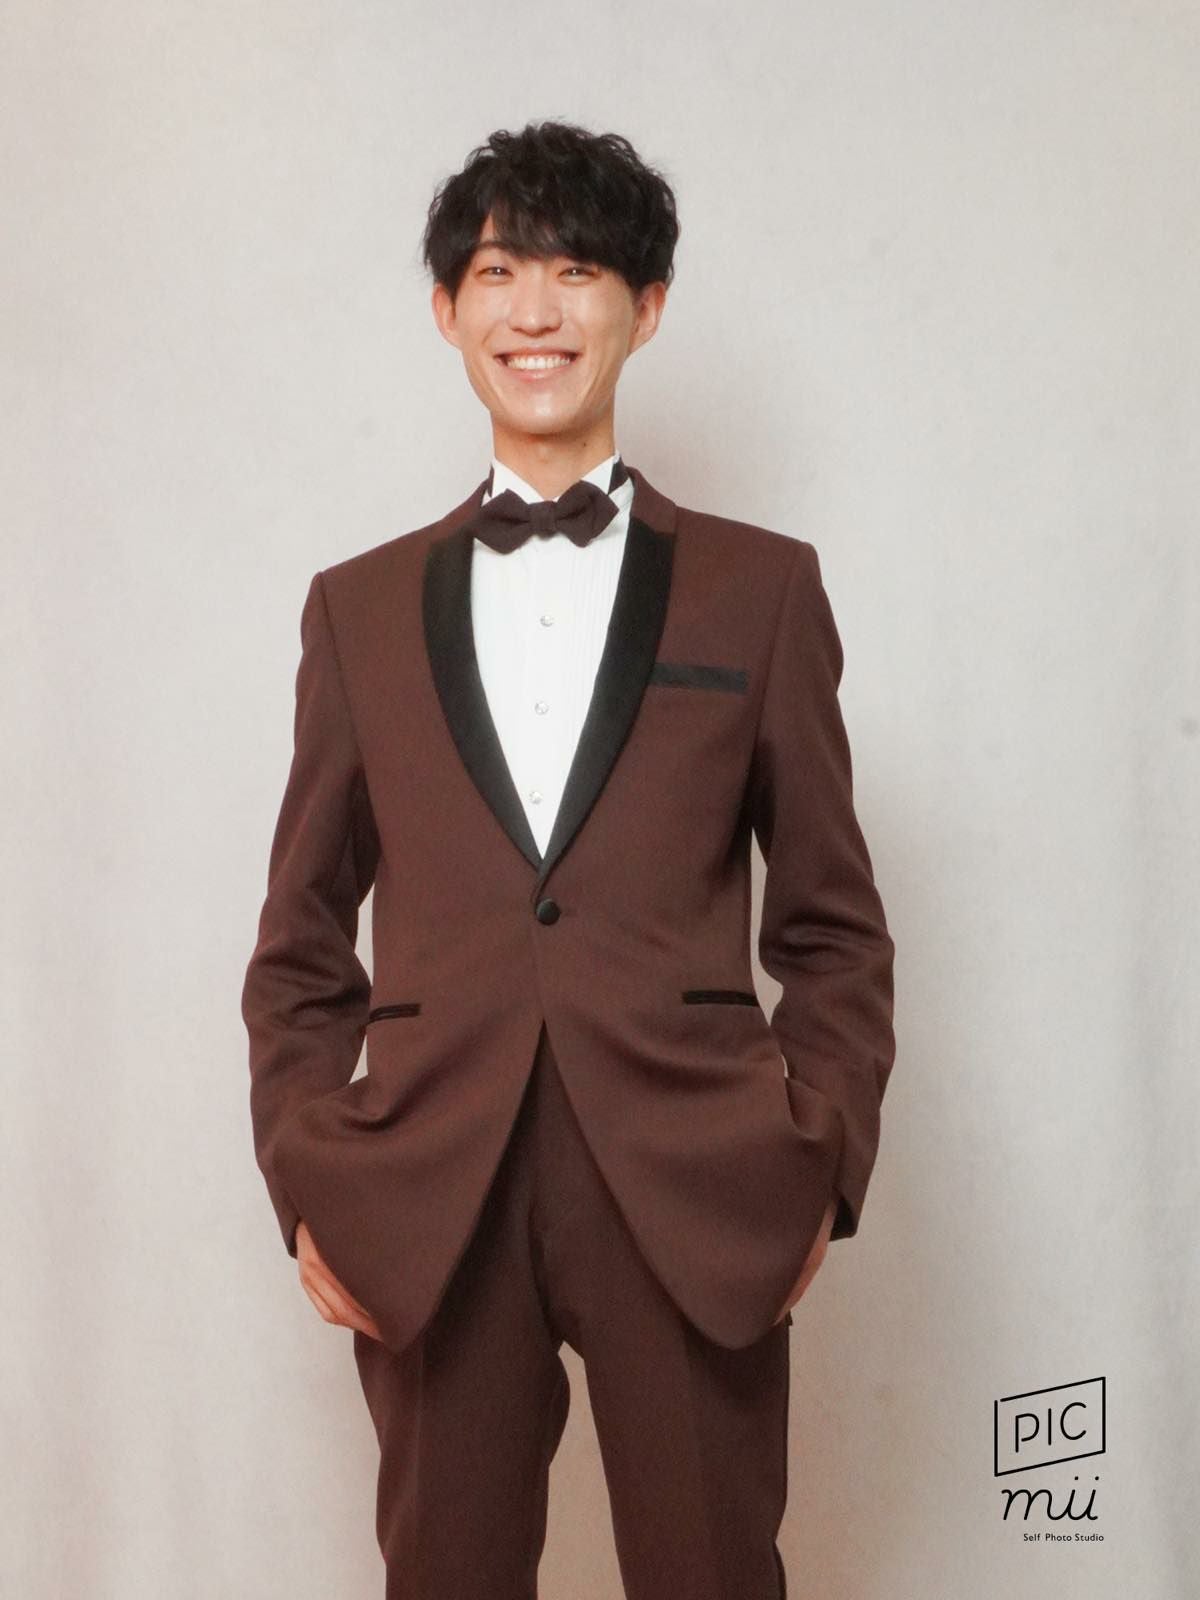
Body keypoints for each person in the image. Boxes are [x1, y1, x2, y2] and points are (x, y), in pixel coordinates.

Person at [241, 118, 896, 1600]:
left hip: (694, 1176)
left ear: (644, 307)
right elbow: (297, 944)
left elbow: (834, 928)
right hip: (433, 1187)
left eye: (578, 271)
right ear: (446, 310)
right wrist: (307, 1173)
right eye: (497, 273)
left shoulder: (761, 590)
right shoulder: (355, 610)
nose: (535, 311)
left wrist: (820, 1164)